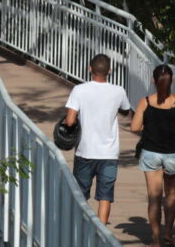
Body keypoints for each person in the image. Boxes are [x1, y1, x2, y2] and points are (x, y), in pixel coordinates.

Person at [130, 64, 175, 247]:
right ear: (171, 81)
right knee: (172, 193)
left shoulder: (145, 102)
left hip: (151, 153)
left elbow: (135, 127)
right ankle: (168, 232)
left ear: (153, 80)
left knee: (154, 196)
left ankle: (156, 240)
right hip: (174, 154)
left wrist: (150, 125)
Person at [64, 54, 131, 226]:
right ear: (109, 71)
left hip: (85, 150)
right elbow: (126, 110)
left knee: (80, 193)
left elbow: (70, 121)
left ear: (89, 69)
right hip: (109, 153)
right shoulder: (118, 91)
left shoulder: (79, 90)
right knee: (105, 195)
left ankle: (80, 227)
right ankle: (101, 234)